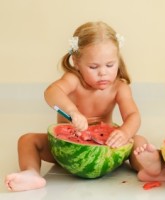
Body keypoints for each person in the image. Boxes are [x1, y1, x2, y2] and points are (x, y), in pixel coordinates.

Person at [5, 21, 141, 192]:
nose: (103, 72)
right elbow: (51, 92)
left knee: (139, 142)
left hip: (108, 148)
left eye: (110, 65)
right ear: (76, 62)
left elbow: (133, 116)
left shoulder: (119, 87)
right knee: (27, 140)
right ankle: (31, 173)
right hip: (66, 149)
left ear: (118, 60)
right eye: (93, 67)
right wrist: (72, 112)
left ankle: (148, 170)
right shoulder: (73, 80)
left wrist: (125, 132)